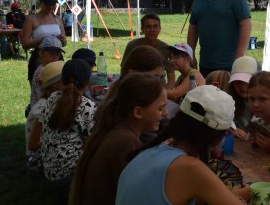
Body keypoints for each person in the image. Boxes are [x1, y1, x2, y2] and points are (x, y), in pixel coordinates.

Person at [115, 85, 251, 205]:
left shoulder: (151, 151)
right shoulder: (191, 168)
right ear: (215, 137)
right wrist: (243, 196)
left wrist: (229, 195)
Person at [69, 72, 167, 205]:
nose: (166, 113)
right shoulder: (126, 142)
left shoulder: (118, 131)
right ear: (138, 112)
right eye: (160, 109)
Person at [28, 59, 96, 204]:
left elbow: (34, 142)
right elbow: (91, 147)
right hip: (71, 174)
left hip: (50, 169)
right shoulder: (88, 107)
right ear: (88, 81)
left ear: (62, 80)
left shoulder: (52, 98)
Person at [187, 0, 252, 76]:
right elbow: (193, 26)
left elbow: (246, 24)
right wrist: (191, 54)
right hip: (205, 63)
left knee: (227, 94)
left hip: (230, 63)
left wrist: (239, 55)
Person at [21, 0, 66, 105]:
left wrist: (62, 39)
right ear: (41, 2)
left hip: (57, 57)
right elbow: (25, 44)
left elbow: (65, 42)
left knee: (58, 92)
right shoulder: (32, 19)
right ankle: (36, 117)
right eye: (47, 4)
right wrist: (41, 40)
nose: (50, 7)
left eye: (53, 4)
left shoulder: (58, 19)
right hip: (39, 58)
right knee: (39, 93)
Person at [25, 60, 64, 176]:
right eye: (67, 80)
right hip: (38, 160)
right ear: (55, 84)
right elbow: (33, 145)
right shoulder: (44, 109)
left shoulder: (49, 101)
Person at [122, 13, 172, 82]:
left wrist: (166, 92)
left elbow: (171, 78)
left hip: (159, 86)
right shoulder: (132, 46)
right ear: (142, 29)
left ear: (160, 29)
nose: (152, 30)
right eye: (148, 26)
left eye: (155, 26)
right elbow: (124, 71)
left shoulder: (166, 48)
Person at [29, 37, 66, 110]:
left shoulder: (50, 68)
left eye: (57, 54)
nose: (55, 57)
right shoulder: (42, 71)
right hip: (41, 109)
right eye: (51, 54)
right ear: (41, 53)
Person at [228, 56, 258, 139]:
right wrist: (231, 129)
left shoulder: (264, 106)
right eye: (237, 82)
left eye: (246, 82)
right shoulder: (228, 103)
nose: (242, 86)